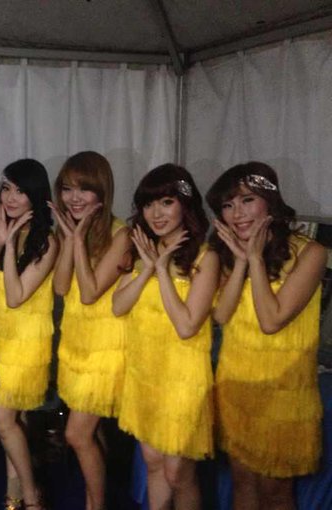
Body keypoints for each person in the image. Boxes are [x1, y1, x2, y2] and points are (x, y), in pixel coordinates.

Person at [206, 162, 325, 510]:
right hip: (236, 386)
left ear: (270, 201)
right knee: (242, 482)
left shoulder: (311, 252)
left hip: (283, 394)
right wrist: (242, 261)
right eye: (228, 205)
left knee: (275, 493)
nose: (237, 213)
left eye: (247, 200)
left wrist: (255, 260)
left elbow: (272, 320)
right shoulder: (229, 253)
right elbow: (220, 315)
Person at [113, 164, 217, 510]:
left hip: (183, 380)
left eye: (166, 202)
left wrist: (161, 270)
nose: (156, 213)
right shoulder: (143, 249)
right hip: (144, 373)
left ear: (185, 205)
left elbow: (187, 325)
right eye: (148, 204)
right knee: (153, 463)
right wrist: (147, 268)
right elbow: (118, 305)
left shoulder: (205, 257)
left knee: (179, 474)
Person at [50, 151, 131, 510]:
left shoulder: (122, 233)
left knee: (77, 434)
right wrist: (71, 239)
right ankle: (94, 499)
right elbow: (61, 286)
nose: (74, 197)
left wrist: (77, 240)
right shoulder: (72, 230)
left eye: (84, 189)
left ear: (102, 190)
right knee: (93, 434)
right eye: (67, 189)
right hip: (76, 344)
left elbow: (90, 291)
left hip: (107, 348)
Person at [0, 159, 57, 510]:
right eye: (7, 188)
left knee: (0, 418)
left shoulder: (48, 241)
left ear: (35, 196)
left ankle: (31, 495)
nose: (11, 198)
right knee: (14, 421)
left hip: (26, 342)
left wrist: (9, 244)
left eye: (21, 191)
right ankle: (13, 496)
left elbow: (16, 296)